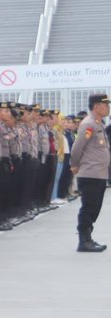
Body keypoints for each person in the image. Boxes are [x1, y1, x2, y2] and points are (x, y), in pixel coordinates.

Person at [71, 94, 109, 252]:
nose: (108, 107)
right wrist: (74, 164)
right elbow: (77, 147)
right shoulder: (88, 124)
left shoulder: (98, 124)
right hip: (90, 174)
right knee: (89, 208)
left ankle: (88, 237)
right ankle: (84, 241)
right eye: (105, 104)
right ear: (96, 106)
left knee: (94, 208)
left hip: (99, 174)